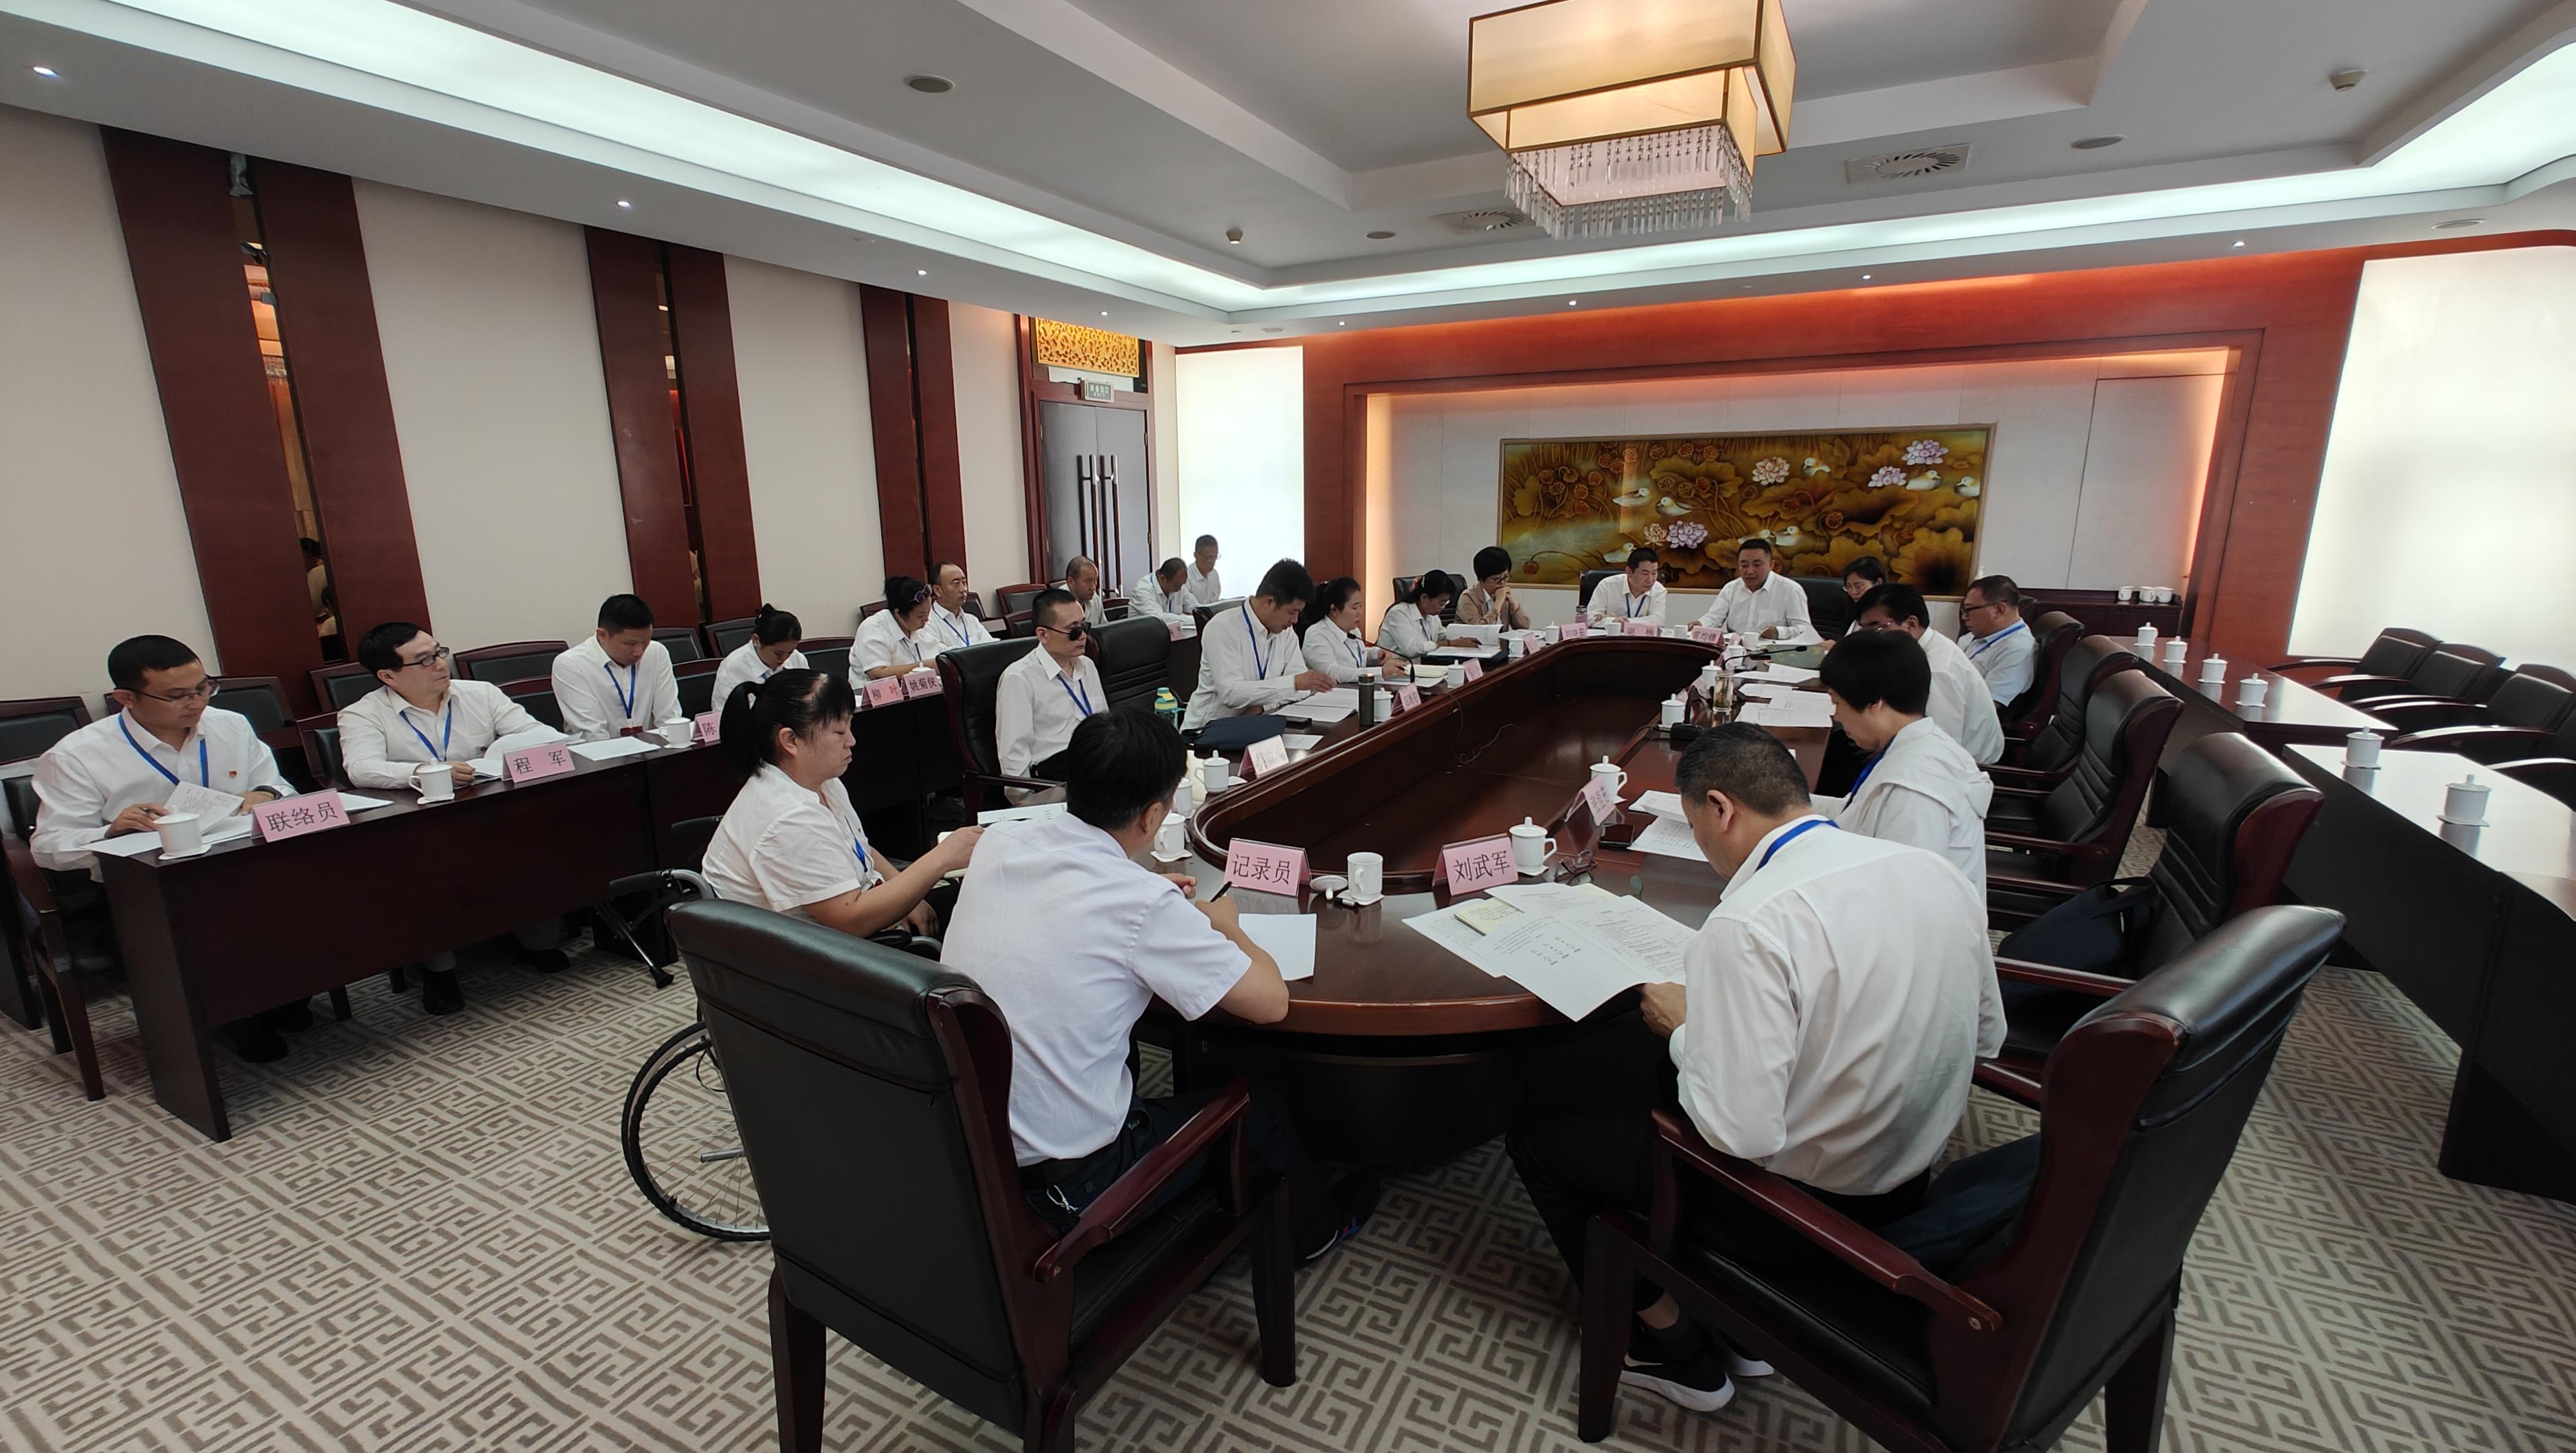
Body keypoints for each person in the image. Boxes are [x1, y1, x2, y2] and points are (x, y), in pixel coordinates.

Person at [1506, 725, 2003, 1414]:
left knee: (1541, 1141)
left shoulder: (1749, 922)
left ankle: (1672, 1347)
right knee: (1640, 1068)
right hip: (1909, 1174)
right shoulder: (1931, 872)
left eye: (1694, 827)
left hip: (1806, 1213)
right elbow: (1988, 1036)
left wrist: (1689, 1031)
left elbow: (1739, 1134)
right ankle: (1739, 1327)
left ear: (1720, 809)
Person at [939, 709, 1376, 1260]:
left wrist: (1141, 886)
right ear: (1152, 816)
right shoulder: (1142, 904)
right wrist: (1229, 927)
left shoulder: (1001, 844)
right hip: (1068, 1186)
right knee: (1260, 1108)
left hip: (969, 1142)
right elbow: (1270, 1003)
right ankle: (1316, 1234)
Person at [31, 635, 301, 1060]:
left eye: (203, 688)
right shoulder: (77, 756)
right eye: (177, 696)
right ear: (126, 698)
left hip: (239, 865)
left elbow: (278, 786)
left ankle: (290, 994)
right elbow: (49, 847)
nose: (196, 703)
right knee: (218, 923)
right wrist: (110, 832)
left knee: (312, 893)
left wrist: (265, 793)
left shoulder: (229, 725)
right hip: (144, 892)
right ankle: (241, 1017)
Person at [342, 621, 574, 1010]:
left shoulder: (481, 694)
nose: (440, 664)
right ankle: (440, 971)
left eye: (439, 652)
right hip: (421, 826)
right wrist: (424, 772)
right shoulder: (363, 714)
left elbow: (539, 734)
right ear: (388, 676)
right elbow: (361, 768)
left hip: (494, 812)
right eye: (424, 660)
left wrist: (511, 751)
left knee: (536, 836)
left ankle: (539, 942)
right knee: (422, 871)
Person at [701, 668, 981, 937]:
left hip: (854, 915)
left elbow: (858, 845)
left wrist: (909, 895)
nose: (851, 741)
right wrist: (941, 859)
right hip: (817, 957)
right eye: (838, 732)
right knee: (982, 916)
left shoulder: (819, 780)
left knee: (981, 895)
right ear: (790, 741)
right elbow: (852, 920)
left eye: (850, 726)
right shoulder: (788, 818)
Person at [1815, 631, 1994, 895]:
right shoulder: (1919, 743)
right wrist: (1785, 802)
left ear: (1875, 704)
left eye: (1837, 702)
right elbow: (1856, 810)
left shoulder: (1915, 792)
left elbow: (1902, 895)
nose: (1836, 716)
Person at [1853, 584, 2003, 765]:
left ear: (1911, 624)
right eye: (1863, 629)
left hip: (1965, 765)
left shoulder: (1937, 670)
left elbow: (1942, 744)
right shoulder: (1917, 650)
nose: (1867, 638)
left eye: (1875, 628)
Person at [1181, 559, 1337, 732]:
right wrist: (1293, 683)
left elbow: (1303, 689)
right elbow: (1232, 694)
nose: (1295, 620)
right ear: (1269, 602)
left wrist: (1263, 706)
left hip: (1256, 724)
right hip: (1205, 732)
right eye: (1292, 612)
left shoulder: (1285, 632)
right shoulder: (1223, 628)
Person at [995, 588, 1110, 781]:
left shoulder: (1087, 665)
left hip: (1097, 756)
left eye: (1084, 626)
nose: (1083, 636)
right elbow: (1013, 754)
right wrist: (1027, 795)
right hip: (1056, 770)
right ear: (1043, 634)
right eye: (1074, 630)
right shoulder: (1019, 678)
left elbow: (1104, 720)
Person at [552, 593, 680, 741]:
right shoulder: (571, 664)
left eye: (646, 641)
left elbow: (670, 719)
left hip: (653, 750)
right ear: (602, 636)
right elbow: (593, 735)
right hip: (598, 753)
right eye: (630, 644)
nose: (639, 652)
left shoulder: (656, 652)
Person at [1694, 538, 1817, 643]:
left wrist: (1779, 632)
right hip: (1736, 651)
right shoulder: (1731, 588)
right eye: (1744, 565)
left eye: (1757, 565)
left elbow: (1804, 630)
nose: (1750, 571)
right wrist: (1700, 624)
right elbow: (1714, 618)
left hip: (1771, 654)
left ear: (1771, 565)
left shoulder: (1791, 590)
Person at [1960, 574, 2036, 706]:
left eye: (1969, 610)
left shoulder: (2017, 650)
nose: (1964, 617)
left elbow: (1985, 706)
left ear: (1998, 610)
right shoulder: (1982, 633)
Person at [712, 603, 807, 707]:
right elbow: (724, 713)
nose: (784, 659)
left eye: (790, 652)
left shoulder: (797, 659)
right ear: (756, 640)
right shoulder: (732, 668)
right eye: (778, 653)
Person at [1378, 570, 1477, 661]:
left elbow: (1441, 635)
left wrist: (1464, 637)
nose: (1443, 607)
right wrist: (1449, 644)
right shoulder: (1399, 614)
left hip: (1423, 667)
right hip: (1397, 670)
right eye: (1441, 602)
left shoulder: (1431, 615)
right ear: (1424, 598)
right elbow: (1412, 649)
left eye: (1446, 603)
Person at [1298, 576, 1380, 683]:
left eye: (1361, 606)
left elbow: (1354, 658)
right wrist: (1380, 672)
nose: (1360, 613)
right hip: (1329, 693)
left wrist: (1376, 654)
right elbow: (1332, 673)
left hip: (1354, 690)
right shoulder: (1316, 634)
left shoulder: (1354, 631)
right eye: (1355, 608)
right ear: (1334, 610)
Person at [854, 576, 938, 679]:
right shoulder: (872, 628)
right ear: (898, 614)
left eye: (928, 612)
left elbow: (940, 650)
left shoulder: (915, 627)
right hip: (880, 688)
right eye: (920, 616)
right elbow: (878, 673)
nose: (927, 619)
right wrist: (926, 666)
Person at [1586, 547, 1666, 629]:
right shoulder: (1607, 585)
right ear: (1629, 572)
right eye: (1645, 574)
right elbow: (1591, 618)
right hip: (1610, 635)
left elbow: (1658, 620)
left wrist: (1625, 623)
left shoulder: (1658, 590)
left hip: (1642, 636)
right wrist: (1614, 621)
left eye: (1654, 573)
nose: (1650, 580)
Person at [1457, 546, 1531, 631]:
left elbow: (1524, 627)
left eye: (1506, 577)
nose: (1502, 583)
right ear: (1481, 579)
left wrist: (1515, 606)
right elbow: (1480, 631)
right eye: (1497, 579)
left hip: (1501, 640)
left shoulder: (1503, 595)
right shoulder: (1468, 598)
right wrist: (1497, 604)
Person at [924, 561, 994, 651]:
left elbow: (992, 648)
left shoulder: (972, 620)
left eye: (964, 583)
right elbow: (938, 655)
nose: (963, 589)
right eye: (956, 583)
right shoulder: (927, 623)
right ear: (938, 590)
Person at [1130, 557, 1193, 621]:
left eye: (1182, 585)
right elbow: (1160, 618)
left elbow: (1193, 607)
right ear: (1162, 578)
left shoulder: (1178, 583)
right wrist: (1193, 620)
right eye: (1175, 586)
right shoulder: (1142, 590)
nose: (1179, 589)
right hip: (1145, 627)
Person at [1837, 557, 1887, 637]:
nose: (1853, 592)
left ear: (1878, 583)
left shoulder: (1887, 614)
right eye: (1849, 587)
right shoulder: (1849, 608)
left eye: (1859, 587)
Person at [1063, 555, 1110, 629]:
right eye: (1088, 581)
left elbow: (1104, 630)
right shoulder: (1057, 604)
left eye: (1095, 581)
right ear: (1071, 581)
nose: (1093, 587)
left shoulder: (1095, 599)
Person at [1184, 534, 1224, 606]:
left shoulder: (1214, 575)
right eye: (1210, 557)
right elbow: (1187, 607)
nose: (1213, 562)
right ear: (1196, 555)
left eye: (1215, 557)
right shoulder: (1186, 577)